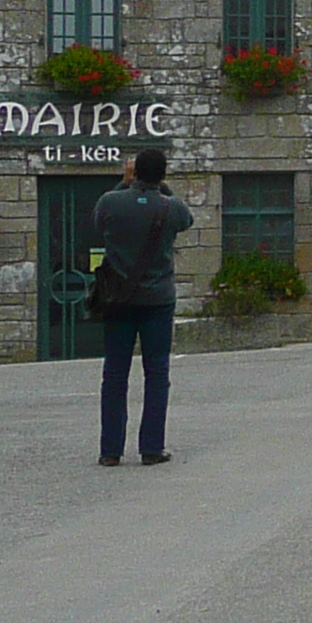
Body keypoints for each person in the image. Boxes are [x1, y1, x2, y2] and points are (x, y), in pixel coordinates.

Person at [92, 148, 193, 466]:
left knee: (115, 373)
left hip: (118, 299)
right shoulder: (171, 206)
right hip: (158, 299)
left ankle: (110, 450)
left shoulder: (110, 201)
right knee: (157, 372)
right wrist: (160, 187)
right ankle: (151, 447)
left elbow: (97, 224)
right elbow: (185, 219)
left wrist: (126, 184)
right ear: (163, 175)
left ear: (133, 173)